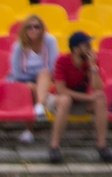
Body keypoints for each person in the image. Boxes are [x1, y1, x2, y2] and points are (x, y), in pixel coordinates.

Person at [48, 31, 112, 163]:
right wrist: (88, 98)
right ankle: (54, 146)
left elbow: (97, 88)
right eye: (86, 44)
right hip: (57, 100)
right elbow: (61, 90)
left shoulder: (90, 62)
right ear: (76, 49)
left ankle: (102, 146)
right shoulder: (62, 61)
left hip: (80, 100)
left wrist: (93, 67)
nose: (90, 47)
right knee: (65, 100)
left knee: (100, 98)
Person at [10, 12, 58, 137]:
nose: (33, 29)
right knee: (30, 89)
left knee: (44, 73)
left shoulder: (50, 41)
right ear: (24, 30)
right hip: (24, 79)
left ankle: (40, 105)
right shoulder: (18, 46)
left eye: (37, 26)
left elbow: (52, 66)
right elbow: (16, 72)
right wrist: (31, 82)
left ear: (42, 28)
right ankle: (30, 128)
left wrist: (39, 79)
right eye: (29, 27)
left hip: (45, 77)